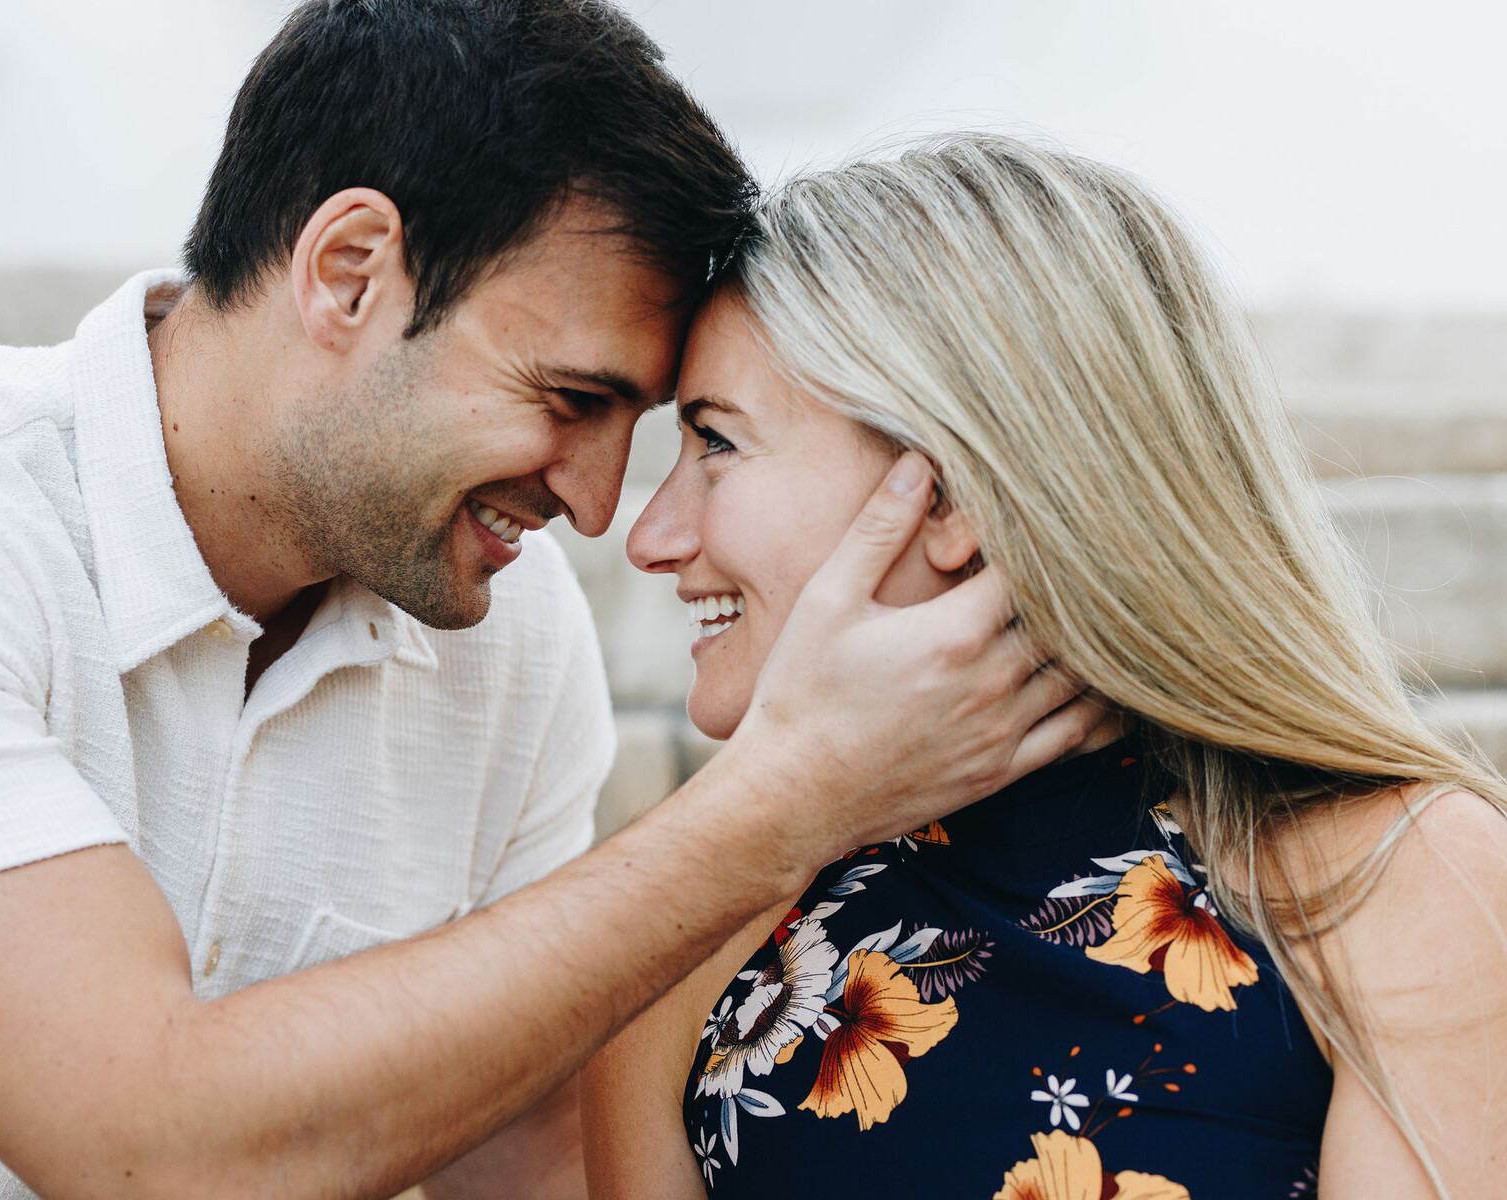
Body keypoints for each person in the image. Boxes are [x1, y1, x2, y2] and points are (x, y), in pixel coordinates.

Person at [0, 7, 1105, 1199]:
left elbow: (529, 1159)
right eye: (571, 401)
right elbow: (152, 1147)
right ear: (349, 272)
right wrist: (785, 803)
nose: (603, 504)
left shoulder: (508, 631)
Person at [582, 136, 1507, 1200]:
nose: (650, 535)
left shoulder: (1398, 885)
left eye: (718, 443)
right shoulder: (689, 927)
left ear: (953, 498)